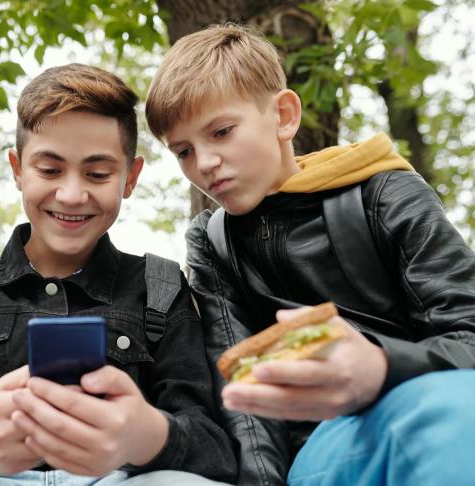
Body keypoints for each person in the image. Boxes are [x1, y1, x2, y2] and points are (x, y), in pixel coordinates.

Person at [0, 63, 237, 486]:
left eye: (98, 174)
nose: (72, 194)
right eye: (49, 170)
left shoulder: (161, 287)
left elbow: (216, 451)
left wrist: (147, 436)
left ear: (130, 178)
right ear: (18, 170)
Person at [145, 23, 475, 486]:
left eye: (221, 132)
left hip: (436, 407)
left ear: (283, 116)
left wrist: (380, 367)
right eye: (183, 151)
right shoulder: (212, 242)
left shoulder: (385, 193)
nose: (203, 164)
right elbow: (242, 397)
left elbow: (468, 331)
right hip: (321, 451)